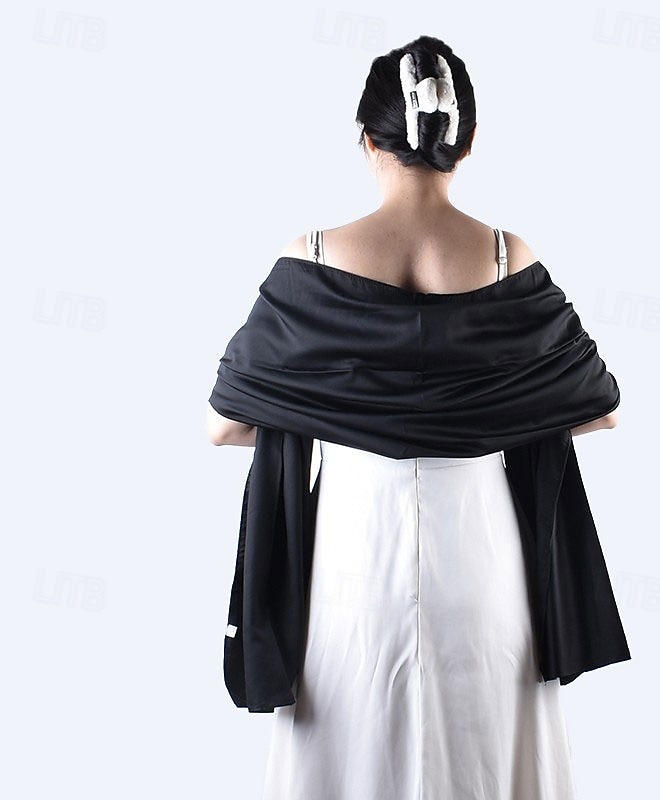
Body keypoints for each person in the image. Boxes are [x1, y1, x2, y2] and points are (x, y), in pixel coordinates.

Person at [208, 34, 623, 800]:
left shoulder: (312, 259)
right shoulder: (507, 258)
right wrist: (480, 410)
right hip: (483, 554)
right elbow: (599, 410)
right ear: (467, 141)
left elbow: (226, 424)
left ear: (368, 140)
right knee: (487, 760)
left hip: (350, 556)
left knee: (346, 758)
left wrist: (344, 406)